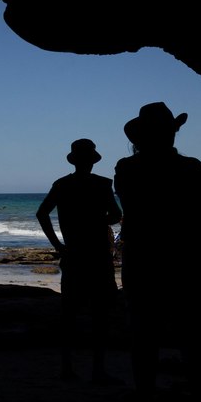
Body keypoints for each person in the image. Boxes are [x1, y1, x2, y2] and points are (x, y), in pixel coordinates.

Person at [113, 102, 201, 402]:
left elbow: (131, 207)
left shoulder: (126, 169)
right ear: (171, 133)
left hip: (143, 259)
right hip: (185, 261)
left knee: (144, 337)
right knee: (193, 338)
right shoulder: (192, 168)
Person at [36, 138, 124, 383]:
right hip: (97, 255)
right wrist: (101, 220)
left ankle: (66, 367)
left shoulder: (62, 185)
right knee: (100, 314)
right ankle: (98, 369)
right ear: (92, 162)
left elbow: (42, 213)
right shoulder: (102, 185)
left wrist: (58, 246)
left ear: (74, 161)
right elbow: (116, 215)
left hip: (73, 254)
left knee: (69, 314)